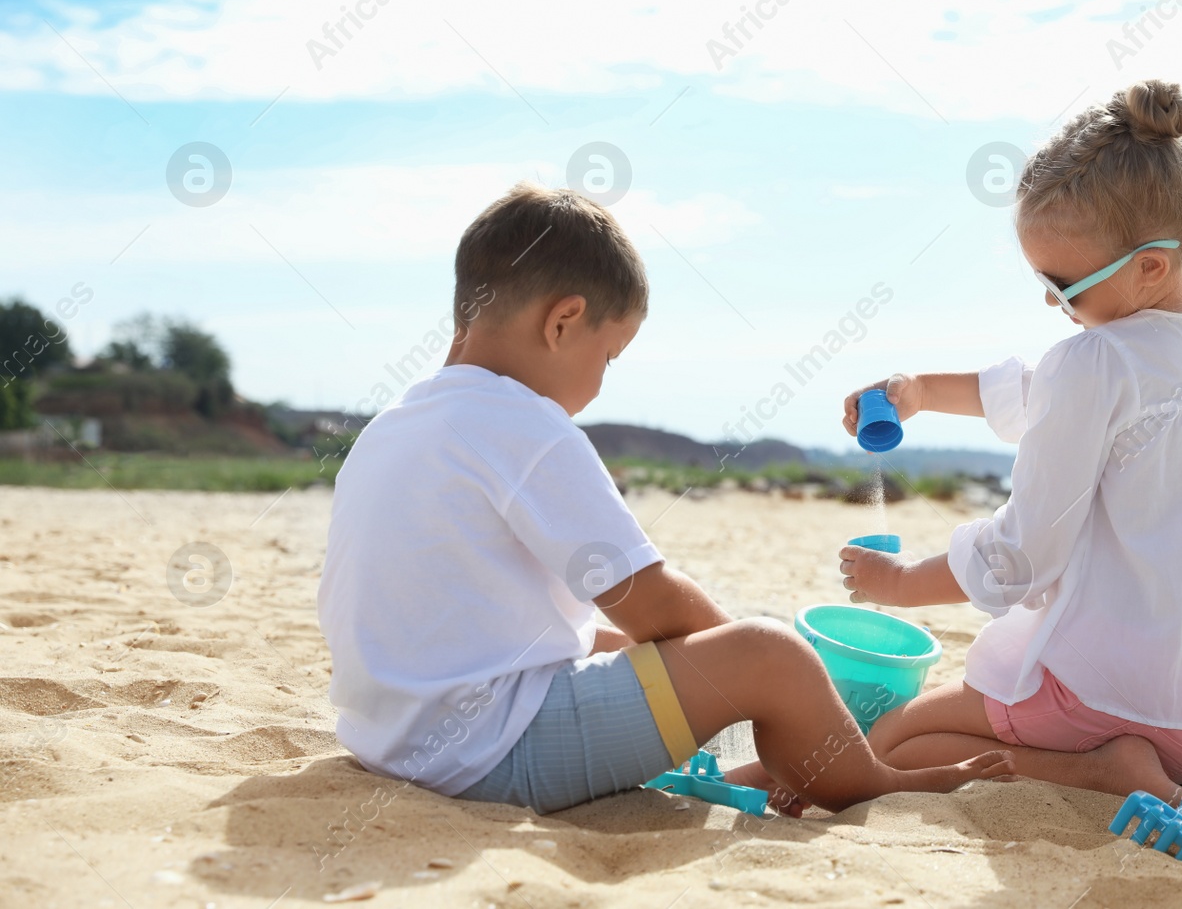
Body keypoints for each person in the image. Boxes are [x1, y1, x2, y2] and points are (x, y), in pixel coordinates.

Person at [318, 182, 1013, 816]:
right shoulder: (526, 425)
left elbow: (492, 613)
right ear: (563, 322)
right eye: (609, 355)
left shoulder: (394, 426)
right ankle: (870, 781)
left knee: (607, 639)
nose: (601, 380)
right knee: (771, 652)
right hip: (489, 755)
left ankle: (767, 764)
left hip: (393, 738)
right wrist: (735, 657)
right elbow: (651, 602)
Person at [839, 80, 1182, 807]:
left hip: (1118, 699)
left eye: (1063, 283)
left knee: (897, 739)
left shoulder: (1094, 361)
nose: (1051, 301)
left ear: (1148, 266)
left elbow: (1021, 556)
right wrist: (920, 388)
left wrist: (900, 585)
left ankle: (1103, 769)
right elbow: (1045, 392)